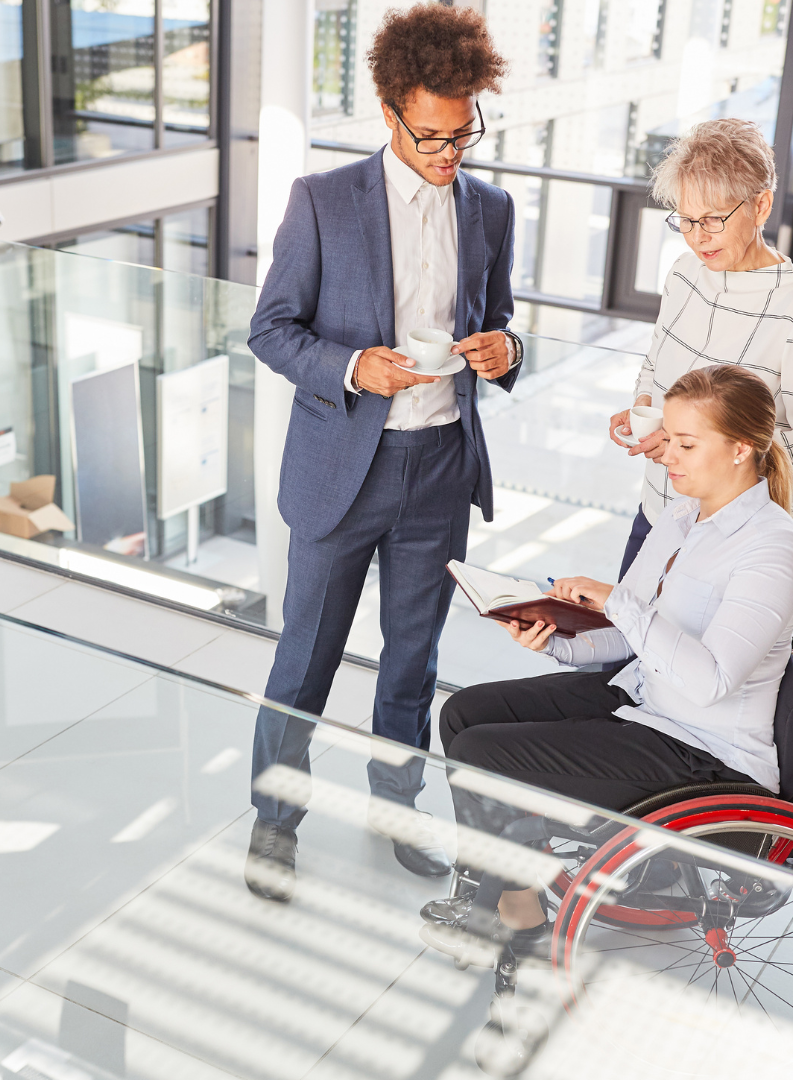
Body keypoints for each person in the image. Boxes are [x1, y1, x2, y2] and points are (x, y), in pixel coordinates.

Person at [244, 4, 524, 903]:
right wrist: (353, 365)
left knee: (412, 666)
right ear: (390, 113)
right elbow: (271, 330)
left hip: (440, 467)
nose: (451, 153)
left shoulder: (490, 208)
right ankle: (274, 821)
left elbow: (503, 321)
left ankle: (396, 816)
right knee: (305, 663)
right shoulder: (323, 202)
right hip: (342, 472)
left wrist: (506, 351)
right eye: (433, 136)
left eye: (463, 133)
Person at [421, 366, 793, 957]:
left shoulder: (773, 548)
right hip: (647, 700)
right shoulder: (683, 519)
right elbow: (628, 637)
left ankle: (511, 909)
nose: (667, 457)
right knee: (465, 714)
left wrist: (619, 603)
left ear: (741, 449)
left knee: (484, 754)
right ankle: (510, 891)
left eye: (686, 444)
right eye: (669, 440)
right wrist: (554, 638)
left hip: (704, 749)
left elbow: (709, 681)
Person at [610, 118, 793, 578]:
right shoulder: (682, 273)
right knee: (620, 648)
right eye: (686, 220)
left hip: (734, 541)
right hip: (658, 514)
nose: (698, 237)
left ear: (761, 206)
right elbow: (656, 363)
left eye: (714, 219)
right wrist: (644, 406)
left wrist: (712, 449)